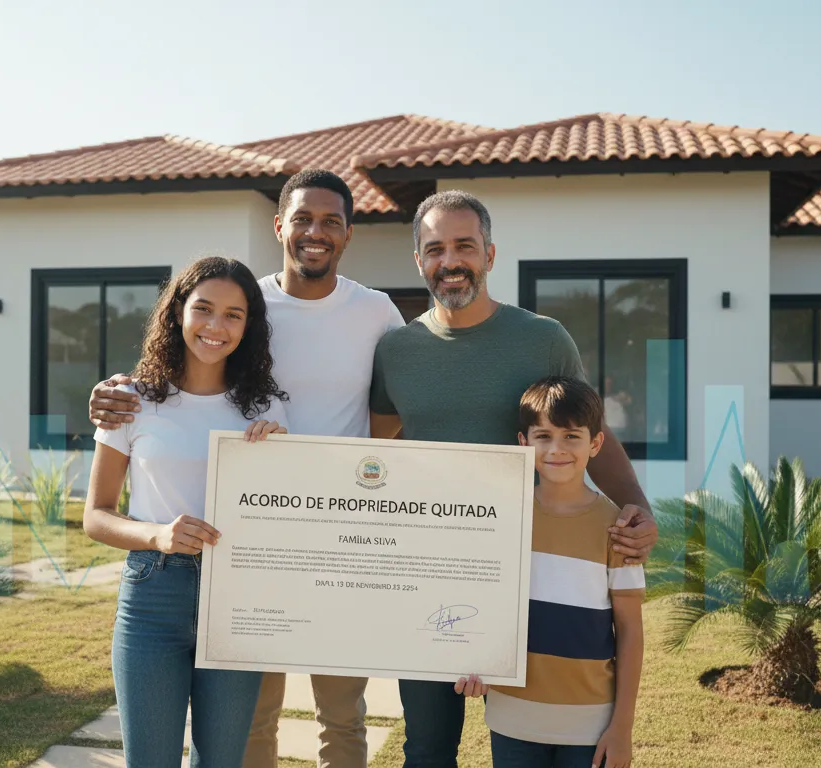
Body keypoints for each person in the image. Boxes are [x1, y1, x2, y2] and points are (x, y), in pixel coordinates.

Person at [86, 169, 405, 768]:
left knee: (342, 715)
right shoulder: (246, 299)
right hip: (250, 555)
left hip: (340, 538)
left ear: (348, 233)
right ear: (279, 225)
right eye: (303, 218)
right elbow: (168, 379)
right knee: (254, 722)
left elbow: (405, 404)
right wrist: (108, 394)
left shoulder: (377, 313)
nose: (316, 232)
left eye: (331, 221)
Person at [367, 190, 658, 767]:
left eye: (464, 246)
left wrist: (637, 507)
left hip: (532, 570)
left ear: (490, 254)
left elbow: (587, 431)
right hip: (432, 572)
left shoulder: (542, 339)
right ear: (419, 261)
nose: (450, 261)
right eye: (435, 249)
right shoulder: (396, 350)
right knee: (426, 746)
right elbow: (374, 453)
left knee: (540, 738)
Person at [83, 256, 290, 768]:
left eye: (234, 315)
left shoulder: (266, 410)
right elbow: (96, 514)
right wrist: (157, 535)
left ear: (250, 325)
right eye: (204, 309)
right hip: (153, 599)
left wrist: (282, 459)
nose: (216, 326)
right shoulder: (131, 400)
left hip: (238, 600)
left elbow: (282, 518)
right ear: (177, 313)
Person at [458, 376, 644, 768]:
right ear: (524, 443)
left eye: (571, 437)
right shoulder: (500, 518)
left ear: (595, 444)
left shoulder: (619, 530)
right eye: (543, 436)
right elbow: (478, 607)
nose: (557, 449)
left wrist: (622, 727)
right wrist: (471, 659)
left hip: (590, 727)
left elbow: (630, 632)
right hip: (512, 720)